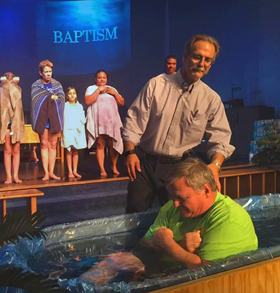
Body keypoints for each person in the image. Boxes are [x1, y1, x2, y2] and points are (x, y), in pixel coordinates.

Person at [122, 34, 235, 213]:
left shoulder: (211, 99)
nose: (201, 63)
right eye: (197, 57)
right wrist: (130, 152)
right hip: (145, 165)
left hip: (180, 168)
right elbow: (134, 120)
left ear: (210, 65)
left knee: (178, 219)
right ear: (185, 58)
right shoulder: (156, 85)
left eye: (207, 60)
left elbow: (221, 137)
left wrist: (215, 165)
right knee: (135, 215)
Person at [141, 158, 258, 269]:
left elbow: (205, 274)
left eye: (181, 198)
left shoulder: (228, 219)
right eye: (173, 197)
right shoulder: (172, 207)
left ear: (206, 190)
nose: (175, 204)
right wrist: (181, 247)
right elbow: (144, 244)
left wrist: (167, 243)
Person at [85, 69, 124, 177]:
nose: (102, 79)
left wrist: (115, 93)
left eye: (104, 77)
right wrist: (98, 91)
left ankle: (114, 166)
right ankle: (102, 169)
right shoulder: (91, 88)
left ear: (106, 79)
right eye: (99, 77)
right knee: (100, 144)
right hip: (99, 121)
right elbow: (88, 101)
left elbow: (121, 102)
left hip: (111, 121)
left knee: (113, 144)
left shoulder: (112, 89)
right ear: (96, 79)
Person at [31, 60, 65, 181]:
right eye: (46, 72)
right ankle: (45, 172)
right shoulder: (36, 86)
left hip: (54, 118)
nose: (48, 74)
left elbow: (61, 99)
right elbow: (36, 101)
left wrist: (56, 98)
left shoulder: (57, 85)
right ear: (41, 73)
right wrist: (49, 97)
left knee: (53, 144)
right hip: (43, 118)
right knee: (44, 144)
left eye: (50, 71)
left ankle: (52, 172)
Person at [0, 72, 25, 184]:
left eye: (11, 76)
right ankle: (9, 177)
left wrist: (14, 83)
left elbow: (19, 109)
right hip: (6, 124)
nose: (10, 78)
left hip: (16, 124)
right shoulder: (2, 90)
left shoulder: (17, 90)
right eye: (8, 76)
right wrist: (6, 82)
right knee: (7, 150)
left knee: (16, 150)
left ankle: (15, 176)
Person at [61, 87, 86, 178]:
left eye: (74, 93)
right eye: (70, 93)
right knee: (69, 150)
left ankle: (75, 170)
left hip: (77, 130)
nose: (72, 95)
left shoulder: (79, 106)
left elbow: (82, 118)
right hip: (68, 130)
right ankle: (70, 171)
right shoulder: (65, 106)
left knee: (76, 151)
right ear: (67, 96)